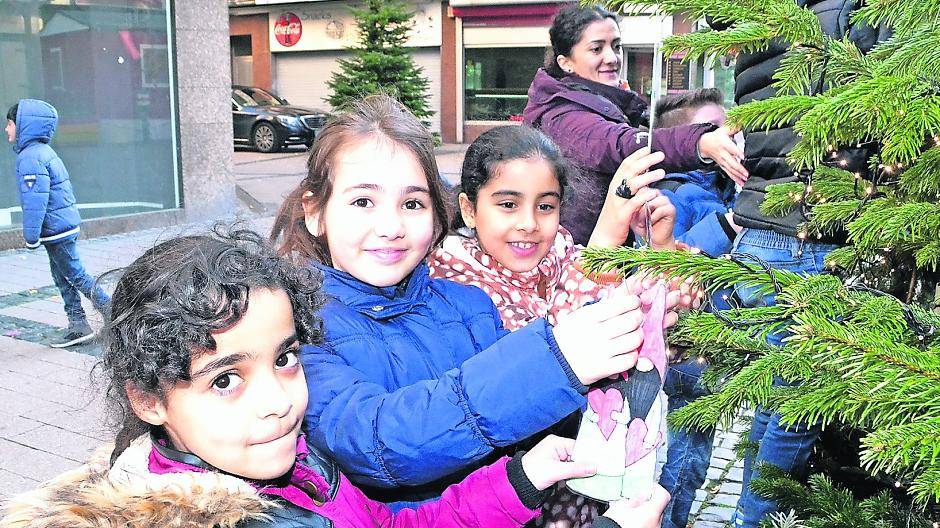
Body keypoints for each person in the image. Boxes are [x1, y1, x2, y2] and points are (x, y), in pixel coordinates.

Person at [0, 227, 661, 528]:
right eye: (225, 381)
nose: (279, 404)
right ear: (147, 400)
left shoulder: (302, 466)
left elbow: (397, 524)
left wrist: (524, 477)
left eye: (286, 358)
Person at [271, 95, 672, 520]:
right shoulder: (300, 331)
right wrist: (557, 360)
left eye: (412, 204)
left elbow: (531, 419)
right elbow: (380, 440)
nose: (390, 227)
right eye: (363, 202)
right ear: (316, 212)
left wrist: (620, 368)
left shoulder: (469, 305)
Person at [427, 125, 682, 527]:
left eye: (545, 206)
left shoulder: (559, 252)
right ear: (470, 209)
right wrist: (607, 233)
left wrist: (662, 250)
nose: (529, 223)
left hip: (578, 486)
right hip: (507, 495)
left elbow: (655, 318)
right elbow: (546, 356)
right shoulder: (455, 277)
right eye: (508, 205)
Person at [706, 3, 890, 527]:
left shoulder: (759, 17)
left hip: (764, 229)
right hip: (815, 230)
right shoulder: (847, 12)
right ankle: (754, 520)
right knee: (800, 409)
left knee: (774, 401)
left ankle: (749, 513)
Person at [522, 4, 747, 246]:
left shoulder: (611, 102)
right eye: (596, 48)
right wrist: (700, 142)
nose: (611, 57)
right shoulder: (561, 115)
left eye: (616, 46)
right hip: (580, 261)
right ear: (566, 62)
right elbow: (623, 144)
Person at [5, 100, 110, 347]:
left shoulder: (30, 158)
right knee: (64, 276)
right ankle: (78, 323)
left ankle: (115, 313)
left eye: (9, 124)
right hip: (61, 227)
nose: (6, 130)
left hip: (56, 230)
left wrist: (30, 237)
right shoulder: (42, 152)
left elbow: (35, 202)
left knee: (76, 275)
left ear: (22, 126)